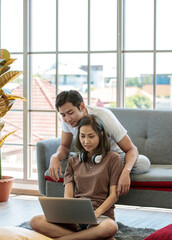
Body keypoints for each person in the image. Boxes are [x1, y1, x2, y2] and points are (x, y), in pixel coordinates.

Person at [30, 114, 123, 240]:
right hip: (76, 218)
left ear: (101, 135)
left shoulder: (113, 159)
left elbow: (114, 195)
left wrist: (96, 213)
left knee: (110, 227)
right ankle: (87, 237)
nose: (86, 141)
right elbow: (68, 196)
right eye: (82, 136)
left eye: (91, 136)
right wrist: (67, 214)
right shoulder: (73, 161)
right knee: (36, 221)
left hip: (101, 216)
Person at [48, 90, 150, 197]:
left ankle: (93, 172)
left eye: (70, 113)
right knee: (62, 164)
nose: (67, 119)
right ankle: (95, 172)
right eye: (63, 115)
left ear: (82, 106)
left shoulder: (104, 117)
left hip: (113, 159)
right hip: (88, 158)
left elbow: (131, 149)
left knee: (142, 163)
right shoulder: (68, 121)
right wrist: (54, 157)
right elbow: (64, 147)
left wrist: (126, 172)